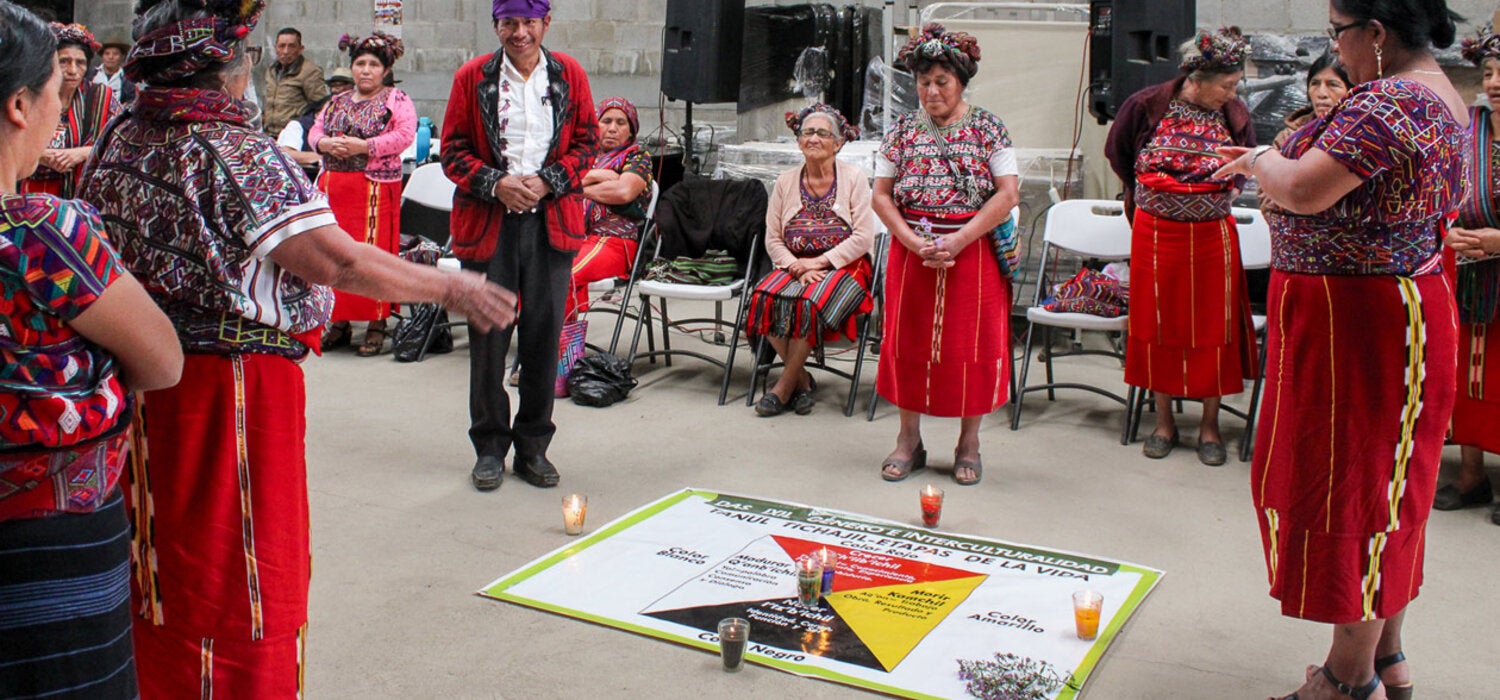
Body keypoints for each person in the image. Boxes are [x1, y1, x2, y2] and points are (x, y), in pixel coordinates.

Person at [78, 0, 515, 694]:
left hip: (138, 382)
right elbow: (336, 263)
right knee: (239, 572)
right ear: (222, 69)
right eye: (243, 57)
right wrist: (450, 290)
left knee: (157, 558)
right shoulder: (231, 150)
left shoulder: (123, 133)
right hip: (230, 397)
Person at [1214, 2, 1466, 698]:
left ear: (1376, 35)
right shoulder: (1442, 92)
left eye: (1339, 33)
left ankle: (1346, 678)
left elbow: (1303, 189)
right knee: (1390, 487)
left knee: (1352, 492)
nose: (1336, 48)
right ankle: (1387, 655)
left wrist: (1262, 158)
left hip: (1358, 324)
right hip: (1397, 309)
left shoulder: (1389, 101)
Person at [0, 4, 182, 696]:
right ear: (21, 104)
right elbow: (162, 361)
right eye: (54, 86)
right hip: (46, 541)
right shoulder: (43, 233)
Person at [441, 0, 597, 493]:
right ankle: (489, 448)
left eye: (530, 22)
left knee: (542, 337)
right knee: (488, 338)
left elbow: (588, 141)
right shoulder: (473, 77)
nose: (520, 33)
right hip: (489, 224)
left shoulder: (568, 73)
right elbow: (452, 151)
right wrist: (496, 183)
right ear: (497, 25)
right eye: (510, 23)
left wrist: (550, 181)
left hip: (551, 223)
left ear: (546, 24)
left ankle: (533, 448)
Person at [1104, 27, 1258, 466]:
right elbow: (1119, 153)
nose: (1231, 92)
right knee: (1159, 325)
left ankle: (1209, 427)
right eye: (1226, 85)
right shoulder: (1148, 105)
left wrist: (1229, 187)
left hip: (1212, 236)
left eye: (1235, 85)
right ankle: (1164, 421)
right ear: (1197, 76)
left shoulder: (1234, 112)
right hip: (1158, 235)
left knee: (1213, 327)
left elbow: (1245, 159)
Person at [872, 24, 1018, 486]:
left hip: (970, 253)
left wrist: (959, 240)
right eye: (923, 82)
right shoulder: (901, 131)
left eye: (942, 82)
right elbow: (880, 195)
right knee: (908, 344)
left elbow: (1007, 194)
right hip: (912, 250)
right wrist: (913, 242)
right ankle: (908, 441)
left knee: (969, 348)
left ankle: (969, 443)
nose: (931, 91)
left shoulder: (989, 128)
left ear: (961, 83)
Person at [746, 103, 874, 416]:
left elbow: (863, 238)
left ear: (838, 143)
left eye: (821, 133)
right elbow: (773, 238)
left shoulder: (854, 178)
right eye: (807, 133)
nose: (813, 138)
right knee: (762, 299)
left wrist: (818, 263)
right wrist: (795, 265)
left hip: (844, 264)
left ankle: (782, 388)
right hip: (794, 262)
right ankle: (801, 382)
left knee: (807, 303)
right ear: (799, 141)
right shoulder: (785, 181)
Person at [311, 32, 416, 356]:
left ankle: (376, 322)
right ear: (352, 67)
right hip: (334, 189)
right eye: (360, 63)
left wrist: (365, 146)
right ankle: (339, 322)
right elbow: (316, 129)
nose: (366, 70)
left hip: (373, 190)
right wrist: (323, 144)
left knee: (369, 255)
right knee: (334, 254)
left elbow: (404, 135)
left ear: (385, 70)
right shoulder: (337, 101)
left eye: (373, 64)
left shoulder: (396, 100)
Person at [1433, 28, 1500, 525]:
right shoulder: (1466, 128)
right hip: (1467, 274)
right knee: (1466, 374)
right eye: (1489, 73)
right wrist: (1447, 232)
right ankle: (1471, 476)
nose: (1495, 83)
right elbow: (1439, 188)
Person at [567, 96, 653, 318]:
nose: (613, 128)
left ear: (631, 131)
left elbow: (623, 192)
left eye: (621, 123)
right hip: (573, 238)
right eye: (606, 121)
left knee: (560, 278)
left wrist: (575, 187)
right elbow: (556, 182)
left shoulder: (637, 158)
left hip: (613, 242)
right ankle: (541, 343)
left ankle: (563, 350)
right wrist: (596, 175)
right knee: (531, 273)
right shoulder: (582, 158)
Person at [20, 22, 119, 199]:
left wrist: (82, 153)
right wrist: (40, 155)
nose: (73, 70)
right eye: (64, 62)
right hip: (30, 195)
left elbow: (120, 142)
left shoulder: (100, 97)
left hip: (82, 197)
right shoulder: (28, 95)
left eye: (80, 63)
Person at [277, 66, 353, 180]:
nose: (338, 89)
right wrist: (323, 157)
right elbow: (284, 153)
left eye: (343, 85)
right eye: (335, 85)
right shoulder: (300, 125)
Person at [1273, 52, 1350, 149]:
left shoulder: (1358, 134)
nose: (1321, 93)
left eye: (1333, 84)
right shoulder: (1289, 137)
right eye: (1315, 84)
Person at [262, 26, 327, 136]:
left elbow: (321, 106)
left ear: (300, 49)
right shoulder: (271, 70)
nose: (286, 51)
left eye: (291, 46)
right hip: (270, 134)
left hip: (294, 136)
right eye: (281, 46)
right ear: (275, 48)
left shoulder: (310, 71)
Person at [92, 35, 136, 106]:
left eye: (115, 54)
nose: (111, 57)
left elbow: (132, 100)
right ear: (102, 56)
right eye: (107, 54)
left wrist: (127, 106)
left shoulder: (127, 80)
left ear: (122, 57)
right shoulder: (91, 75)